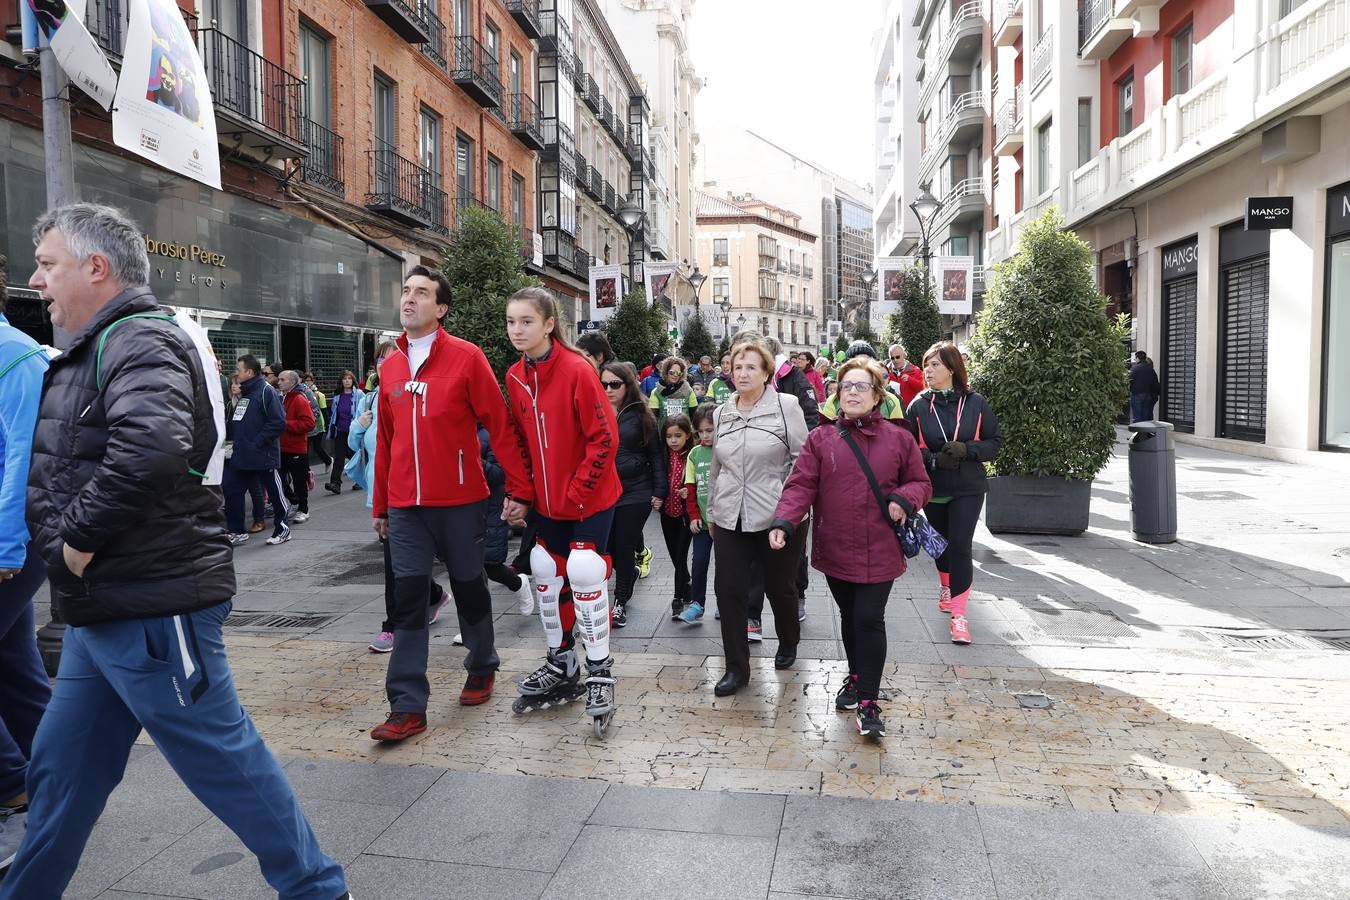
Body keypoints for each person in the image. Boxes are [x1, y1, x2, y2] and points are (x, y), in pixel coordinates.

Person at [6, 203, 349, 899]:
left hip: (151, 602)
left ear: (95, 268)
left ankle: (317, 890)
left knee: (221, 759)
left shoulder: (136, 339)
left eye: (47, 265)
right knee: (61, 771)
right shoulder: (98, 345)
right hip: (105, 607)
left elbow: (153, 448)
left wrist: (75, 541)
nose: (35, 281)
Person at [369, 267, 534, 741]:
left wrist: (520, 491)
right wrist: (381, 504)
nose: (409, 298)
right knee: (408, 600)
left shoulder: (466, 357)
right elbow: (386, 438)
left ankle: (482, 664)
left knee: (469, 587)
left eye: (421, 293)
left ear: (440, 309)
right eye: (405, 290)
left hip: (461, 500)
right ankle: (406, 706)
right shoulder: (391, 365)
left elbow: (499, 427)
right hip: (406, 507)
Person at [769, 357, 932, 738]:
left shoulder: (899, 438)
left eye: (862, 386)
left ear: (877, 395)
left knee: (869, 618)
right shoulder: (821, 438)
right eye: (847, 386)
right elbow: (801, 485)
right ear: (837, 394)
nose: (853, 392)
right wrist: (784, 521)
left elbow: (921, 482)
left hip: (881, 547)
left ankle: (869, 701)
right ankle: (856, 677)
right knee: (849, 614)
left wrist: (905, 499)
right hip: (836, 547)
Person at [502, 288, 623, 735]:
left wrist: (576, 491)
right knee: (544, 569)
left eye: (526, 322)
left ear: (549, 323)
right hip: (547, 503)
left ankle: (600, 672)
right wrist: (521, 492)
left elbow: (605, 438)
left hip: (589, 499)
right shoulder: (515, 377)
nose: (517, 330)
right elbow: (516, 442)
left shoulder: (577, 370)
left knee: (586, 569)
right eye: (512, 322)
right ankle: (561, 662)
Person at [704, 338, 808, 696]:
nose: (743, 373)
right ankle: (737, 668)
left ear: (766, 372)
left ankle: (789, 639)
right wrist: (713, 511)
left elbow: (801, 462)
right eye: (737, 367)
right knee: (728, 590)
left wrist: (791, 511)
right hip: (731, 515)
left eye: (751, 367)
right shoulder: (721, 412)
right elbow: (717, 466)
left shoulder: (786, 406)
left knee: (781, 588)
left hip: (777, 516)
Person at [350, 341, 452, 655]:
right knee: (399, 563)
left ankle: (393, 626)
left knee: (398, 565)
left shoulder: (411, 392)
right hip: (379, 494)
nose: (383, 363)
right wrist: (359, 425)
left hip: (410, 493)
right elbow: (358, 445)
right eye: (379, 359)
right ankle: (433, 595)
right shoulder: (369, 398)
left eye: (390, 357)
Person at [0, 255, 51, 872]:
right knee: (15, 667)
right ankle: (52, 784)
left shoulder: (19, 357)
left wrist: (8, 548)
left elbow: (25, 461)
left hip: (15, 540)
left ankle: (16, 785)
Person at [906, 341, 1003, 645]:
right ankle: (945, 585)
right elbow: (906, 451)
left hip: (968, 488)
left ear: (951, 368)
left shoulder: (976, 403)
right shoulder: (918, 406)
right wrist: (934, 459)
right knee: (941, 546)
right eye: (926, 365)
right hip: (933, 488)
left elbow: (994, 443)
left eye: (935, 364)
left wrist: (967, 449)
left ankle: (959, 616)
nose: (929, 370)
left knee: (961, 546)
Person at [603, 361, 665, 628]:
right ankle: (632, 571)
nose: (608, 389)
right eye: (604, 384)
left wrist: (660, 491)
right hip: (604, 491)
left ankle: (620, 602)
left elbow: (656, 455)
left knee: (624, 545)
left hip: (636, 490)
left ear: (628, 385)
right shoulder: (595, 411)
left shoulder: (641, 414)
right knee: (608, 547)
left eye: (614, 384)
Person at [223, 354, 291, 546]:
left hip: (263, 454)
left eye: (239, 370)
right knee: (231, 490)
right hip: (242, 455)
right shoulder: (244, 394)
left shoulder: (266, 391)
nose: (236, 373)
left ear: (249, 372)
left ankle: (282, 529)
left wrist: (257, 442)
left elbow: (278, 422)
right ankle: (236, 530)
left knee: (275, 493)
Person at [477, 424, 534, 610]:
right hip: (460, 510)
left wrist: (472, 457)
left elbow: (499, 474)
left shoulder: (489, 434)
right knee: (468, 570)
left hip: (489, 510)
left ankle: (518, 583)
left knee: (490, 566)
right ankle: (474, 623)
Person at [680, 403, 717, 624]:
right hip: (701, 523)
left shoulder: (726, 448)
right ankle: (697, 604)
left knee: (725, 565)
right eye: (700, 431)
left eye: (710, 430)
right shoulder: (694, 453)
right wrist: (693, 515)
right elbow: (690, 487)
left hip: (724, 523)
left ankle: (724, 603)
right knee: (699, 561)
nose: (704, 435)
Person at [659, 413, 696, 619]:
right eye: (669, 436)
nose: (673, 441)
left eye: (678, 436)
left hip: (685, 515)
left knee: (681, 555)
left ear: (688, 435)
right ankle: (687, 584)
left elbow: (700, 481)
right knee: (675, 556)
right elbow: (658, 477)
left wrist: (689, 491)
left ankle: (677, 598)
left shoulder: (692, 455)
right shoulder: (664, 455)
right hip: (667, 513)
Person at [819, 341, 905, 425]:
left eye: (867, 362)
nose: (861, 366)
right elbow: (825, 434)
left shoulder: (890, 401)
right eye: (856, 362)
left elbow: (898, 434)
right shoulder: (834, 400)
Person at [276, 370, 316, 525]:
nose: (279, 382)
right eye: (278, 379)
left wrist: (285, 424)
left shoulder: (299, 399)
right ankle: (294, 502)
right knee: (279, 479)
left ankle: (303, 509)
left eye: (282, 379)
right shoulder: (282, 397)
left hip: (296, 448)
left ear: (292, 382)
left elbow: (309, 423)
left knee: (299, 481)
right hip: (282, 447)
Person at [324, 370, 364, 494]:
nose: (347, 381)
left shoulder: (359, 394)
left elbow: (364, 410)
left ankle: (361, 479)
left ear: (353, 380)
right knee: (339, 458)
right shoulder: (337, 396)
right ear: (341, 381)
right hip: (340, 431)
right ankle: (335, 483)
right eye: (344, 379)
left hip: (355, 431)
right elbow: (334, 413)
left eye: (349, 378)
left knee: (355, 456)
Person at [648, 355, 699, 427]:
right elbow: (652, 419)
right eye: (672, 372)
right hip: (664, 434)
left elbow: (694, 416)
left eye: (678, 373)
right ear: (666, 372)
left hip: (684, 434)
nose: (675, 375)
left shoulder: (688, 391)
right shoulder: (656, 392)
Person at [303, 372, 331, 475]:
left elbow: (323, 412)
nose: (307, 382)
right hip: (308, 425)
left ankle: (328, 460)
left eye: (309, 380)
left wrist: (327, 425)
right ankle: (306, 469)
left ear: (313, 381)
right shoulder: (302, 393)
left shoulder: (319, 395)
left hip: (318, 424)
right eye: (305, 380)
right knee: (306, 448)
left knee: (317, 447)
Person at [1129, 350, 1161, 423]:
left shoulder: (1135, 368)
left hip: (1137, 394)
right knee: (1147, 416)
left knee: (1137, 416)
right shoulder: (1151, 369)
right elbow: (1155, 382)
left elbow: (1128, 379)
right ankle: (1147, 433)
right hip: (1148, 395)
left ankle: (1139, 433)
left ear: (1137, 358)